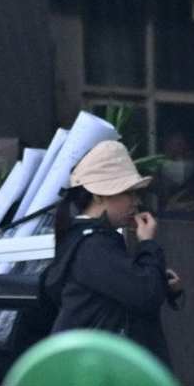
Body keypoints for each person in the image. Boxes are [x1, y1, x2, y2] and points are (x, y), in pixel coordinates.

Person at [35, 138, 179, 364]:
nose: (135, 202)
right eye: (128, 193)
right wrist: (147, 243)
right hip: (95, 373)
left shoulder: (85, 241)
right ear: (99, 195)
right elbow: (145, 294)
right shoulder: (93, 246)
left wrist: (162, 280)